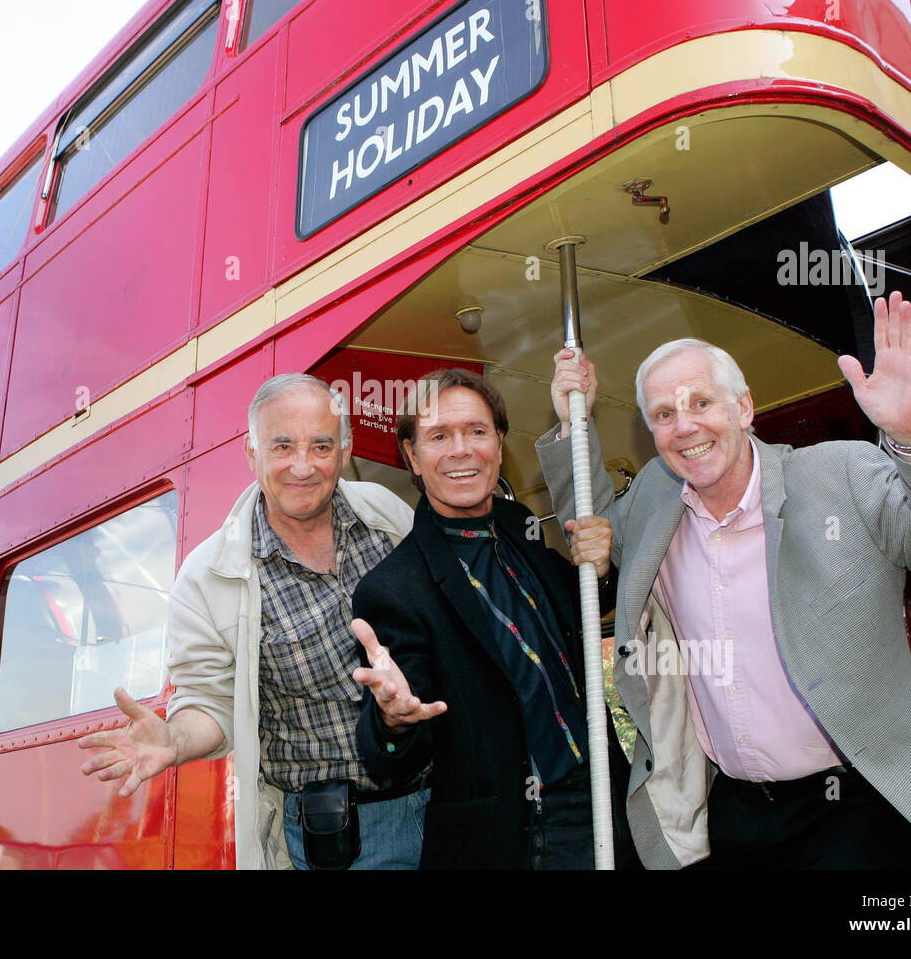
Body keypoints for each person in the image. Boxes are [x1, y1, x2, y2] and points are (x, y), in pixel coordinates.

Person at [537, 291, 911, 869]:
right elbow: (588, 524)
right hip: (736, 811)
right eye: (664, 414)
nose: (684, 427)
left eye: (701, 403)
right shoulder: (652, 505)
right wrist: (573, 423)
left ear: (743, 409)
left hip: (857, 802)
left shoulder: (839, 474)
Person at [78, 373, 424, 869]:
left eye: (320, 446)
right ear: (251, 453)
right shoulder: (206, 576)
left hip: (441, 798)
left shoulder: (386, 515)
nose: (302, 466)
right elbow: (211, 702)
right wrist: (174, 740)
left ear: (345, 452)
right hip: (335, 838)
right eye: (282, 446)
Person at [352, 367, 637, 869]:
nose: (461, 450)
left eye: (477, 432)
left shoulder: (519, 525)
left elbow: (576, 607)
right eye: (439, 436)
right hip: (514, 835)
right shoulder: (392, 589)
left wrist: (600, 565)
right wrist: (393, 721)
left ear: (499, 446)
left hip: (603, 796)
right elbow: (396, 751)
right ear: (413, 457)